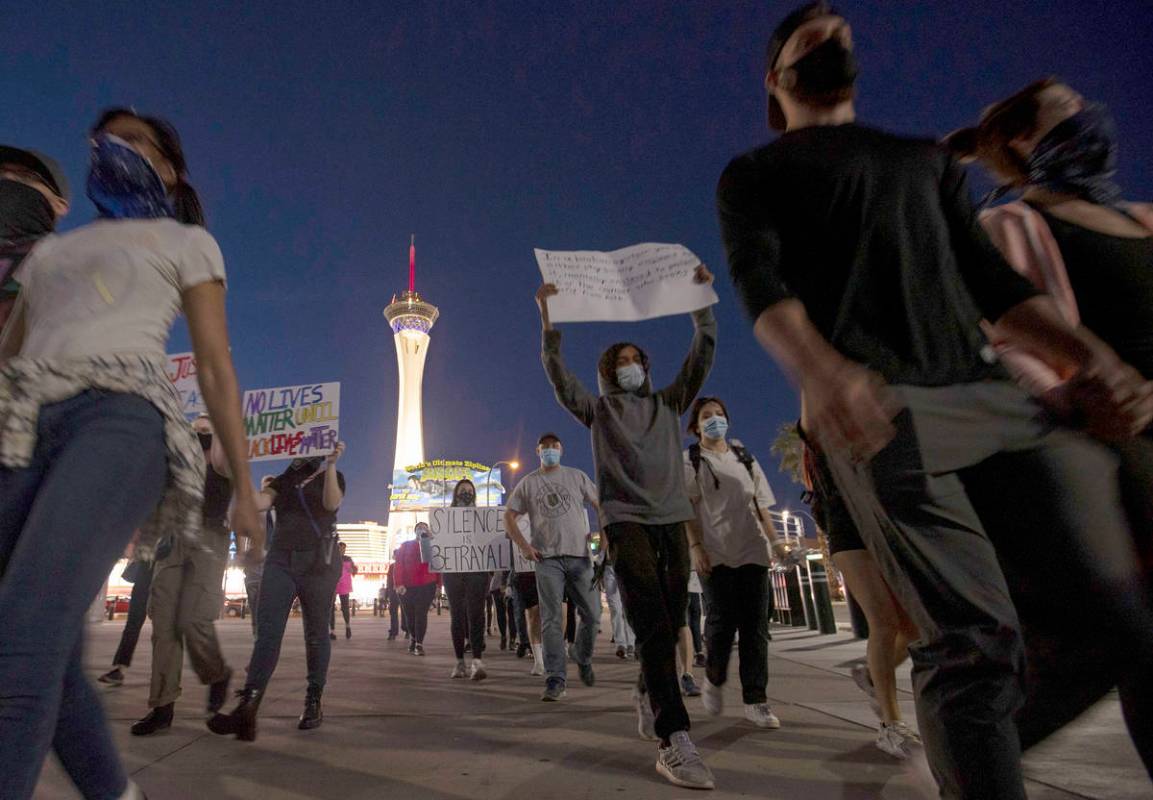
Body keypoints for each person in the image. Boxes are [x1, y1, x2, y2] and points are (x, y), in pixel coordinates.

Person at [717, 5, 1153, 797]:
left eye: (843, 33)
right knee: (973, 642)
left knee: (1119, 621)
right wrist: (823, 370)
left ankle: (966, 747)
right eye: (813, 38)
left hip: (993, 398)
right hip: (885, 416)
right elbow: (763, 291)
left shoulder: (922, 161)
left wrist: (1091, 360)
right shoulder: (755, 174)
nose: (836, 41)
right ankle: (970, 751)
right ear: (774, 79)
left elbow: (993, 284)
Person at [0, 108, 261, 800]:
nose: (113, 148)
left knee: (22, 632)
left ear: (170, 170)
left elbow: (212, 366)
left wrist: (243, 485)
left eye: (135, 141)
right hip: (26, 422)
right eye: (102, 138)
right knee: (46, 655)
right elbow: (11, 354)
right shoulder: (50, 253)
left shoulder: (185, 241)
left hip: (119, 417)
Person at [947, 80, 1153, 766]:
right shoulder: (1011, 225)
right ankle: (972, 760)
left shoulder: (1145, 219)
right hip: (1110, 452)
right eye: (1064, 105)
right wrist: (1079, 394)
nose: (1088, 109)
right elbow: (994, 344)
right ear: (1018, 138)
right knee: (1124, 640)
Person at [536, 263, 717, 790]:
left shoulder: (669, 401)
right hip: (626, 524)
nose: (632, 366)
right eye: (622, 361)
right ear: (608, 372)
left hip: (672, 521)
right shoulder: (597, 411)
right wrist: (549, 319)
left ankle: (647, 689)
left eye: (638, 359)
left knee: (671, 618)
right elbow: (556, 372)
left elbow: (701, 355)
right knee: (654, 625)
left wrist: (701, 305)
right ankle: (674, 739)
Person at [208, 445, 346, 741]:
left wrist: (331, 465)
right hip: (280, 559)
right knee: (268, 632)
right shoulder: (282, 481)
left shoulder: (329, 476)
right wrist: (241, 469)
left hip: (317, 563)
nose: (300, 453)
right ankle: (248, 707)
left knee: (316, 632)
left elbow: (332, 504)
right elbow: (258, 503)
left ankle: (313, 701)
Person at [801, 432, 922, 758]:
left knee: (914, 626)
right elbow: (811, 419)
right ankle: (891, 726)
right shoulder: (824, 417)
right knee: (883, 622)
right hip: (848, 525)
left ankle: (871, 674)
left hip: (886, 521)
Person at [683, 397, 787, 730]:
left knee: (756, 629)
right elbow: (687, 509)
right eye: (706, 416)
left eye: (719, 414)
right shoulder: (692, 460)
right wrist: (696, 546)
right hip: (716, 553)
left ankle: (756, 700)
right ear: (696, 426)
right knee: (720, 624)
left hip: (753, 551)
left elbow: (762, 507)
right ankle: (713, 678)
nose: (714, 420)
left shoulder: (744, 456)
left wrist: (776, 543)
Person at [130, 415, 235, 736]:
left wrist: (217, 428)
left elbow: (223, 457)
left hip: (207, 539)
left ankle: (217, 675)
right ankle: (162, 706)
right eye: (196, 428)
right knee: (163, 625)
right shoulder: (175, 461)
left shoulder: (223, 458)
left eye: (206, 427)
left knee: (193, 619)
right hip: (171, 540)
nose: (200, 431)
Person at [505, 432, 603, 701]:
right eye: (545, 447)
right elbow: (509, 517)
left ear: (561, 449)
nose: (550, 450)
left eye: (554, 447)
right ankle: (555, 678)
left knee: (593, 614)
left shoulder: (576, 476)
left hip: (580, 558)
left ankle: (581, 654)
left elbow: (599, 505)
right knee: (551, 619)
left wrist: (604, 537)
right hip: (547, 560)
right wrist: (525, 547)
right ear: (538, 451)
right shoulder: (529, 483)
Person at [0, 145, 69, 333]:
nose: (7, 180)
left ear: (59, 205)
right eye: (0, 175)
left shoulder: (75, 261)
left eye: (26, 177)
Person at [443, 479, 492, 681]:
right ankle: (459, 662)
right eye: (462, 490)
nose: (466, 493)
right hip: (453, 570)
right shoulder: (444, 518)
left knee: (476, 614)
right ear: (455, 494)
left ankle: (477, 661)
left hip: (477, 570)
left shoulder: (484, 517)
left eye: (469, 490)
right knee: (457, 615)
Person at [97, 539, 154, 688]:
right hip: (148, 569)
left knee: (163, 629)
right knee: (133, 625)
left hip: (165, 572)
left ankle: (165, 675)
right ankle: (119, 669)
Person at [394, 524, 439, 655]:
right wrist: (399, 583)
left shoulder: (432, 545)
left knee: (421, 614)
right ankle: (413, 637)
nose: (422, 529)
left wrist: (438, 584)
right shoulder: (405, 546)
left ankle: (419, 643)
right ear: (415, 531)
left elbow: (438, 565)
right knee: (410, 615)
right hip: (407, 587)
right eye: (419, 527)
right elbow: (399, 565)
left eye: (424, 527)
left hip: (427, 585)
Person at [601, 554, 635, 659]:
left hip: (627, 566)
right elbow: (603, 540)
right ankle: (620, 644)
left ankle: (631, 643)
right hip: (609, 567)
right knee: (615, 608)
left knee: (627, 607)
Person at [330, 541, 358, 640]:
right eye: (340, 548)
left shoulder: (348, 559)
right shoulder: (332, 558)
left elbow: (355, 569)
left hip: (344, 585)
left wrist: (353, 570)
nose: (342, 550)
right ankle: (332, 631)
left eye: (343, 549)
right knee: (331, 608)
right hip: (333, 585)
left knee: (345, 607)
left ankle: (347, 626)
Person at [386, 547, 410, 642]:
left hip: (403, 592)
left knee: (404, 613)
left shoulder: (405, 565)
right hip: (394, 592)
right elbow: (389, 581)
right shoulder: (392, 566)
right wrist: (388, 593)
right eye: (395, 555)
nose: (396, 557)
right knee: (394, 613)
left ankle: (406, 629)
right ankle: (393, 632)